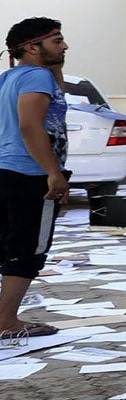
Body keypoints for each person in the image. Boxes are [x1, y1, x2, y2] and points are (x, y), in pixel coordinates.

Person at [0, 18, 69, 341]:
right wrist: (53, 172)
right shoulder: (36, 77)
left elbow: (58, 102)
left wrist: (55, 65)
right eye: (56, 41)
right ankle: (6, 322)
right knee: (28, 249)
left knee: (7, 245)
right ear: (31, 47)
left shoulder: (10, 78)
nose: (65, 46)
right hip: (30, 174)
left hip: (6, 169)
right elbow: (31, 126)